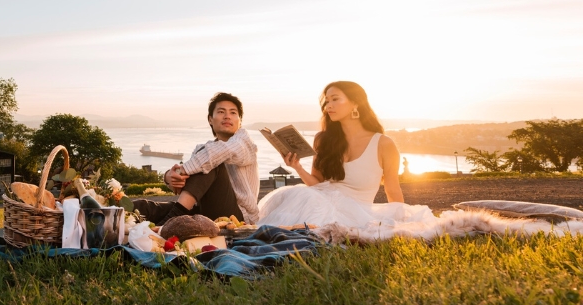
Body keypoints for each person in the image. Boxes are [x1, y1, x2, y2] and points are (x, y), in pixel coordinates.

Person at [257, 81, 434, 229]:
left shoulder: (383, 144)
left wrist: (401, 223)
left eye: (335, 99)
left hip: (357, 213)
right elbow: (317, 184)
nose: (328, 106)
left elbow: (393, 189)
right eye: (326, 101)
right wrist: (297, 167)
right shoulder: (323, 139)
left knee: (313, 214)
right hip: (319, 201)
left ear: (355, 103)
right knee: (300, 196)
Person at [133, 92, 260, 225]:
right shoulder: (204, 149)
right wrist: (169, 177)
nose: (227, 116)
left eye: (233, 113)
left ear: (239, 121)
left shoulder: (244, 142)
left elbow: (214, 155)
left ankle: (167, 224)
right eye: (221, 112)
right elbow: (189, 188)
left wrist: (181, 171)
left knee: (209, 161)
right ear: (210, 119)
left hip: (240, 217)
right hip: (204, 210)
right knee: (142, 208)